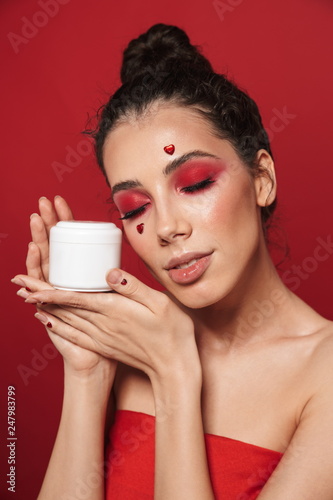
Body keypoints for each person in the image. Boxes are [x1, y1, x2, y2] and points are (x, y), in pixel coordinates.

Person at [12, 24, 333, 500]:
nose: (165, 228)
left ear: (262, 178)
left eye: (196, 183)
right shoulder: (129, 344)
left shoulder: (323, 373)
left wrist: (175, 377)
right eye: (135, 208)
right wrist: (88, 371)